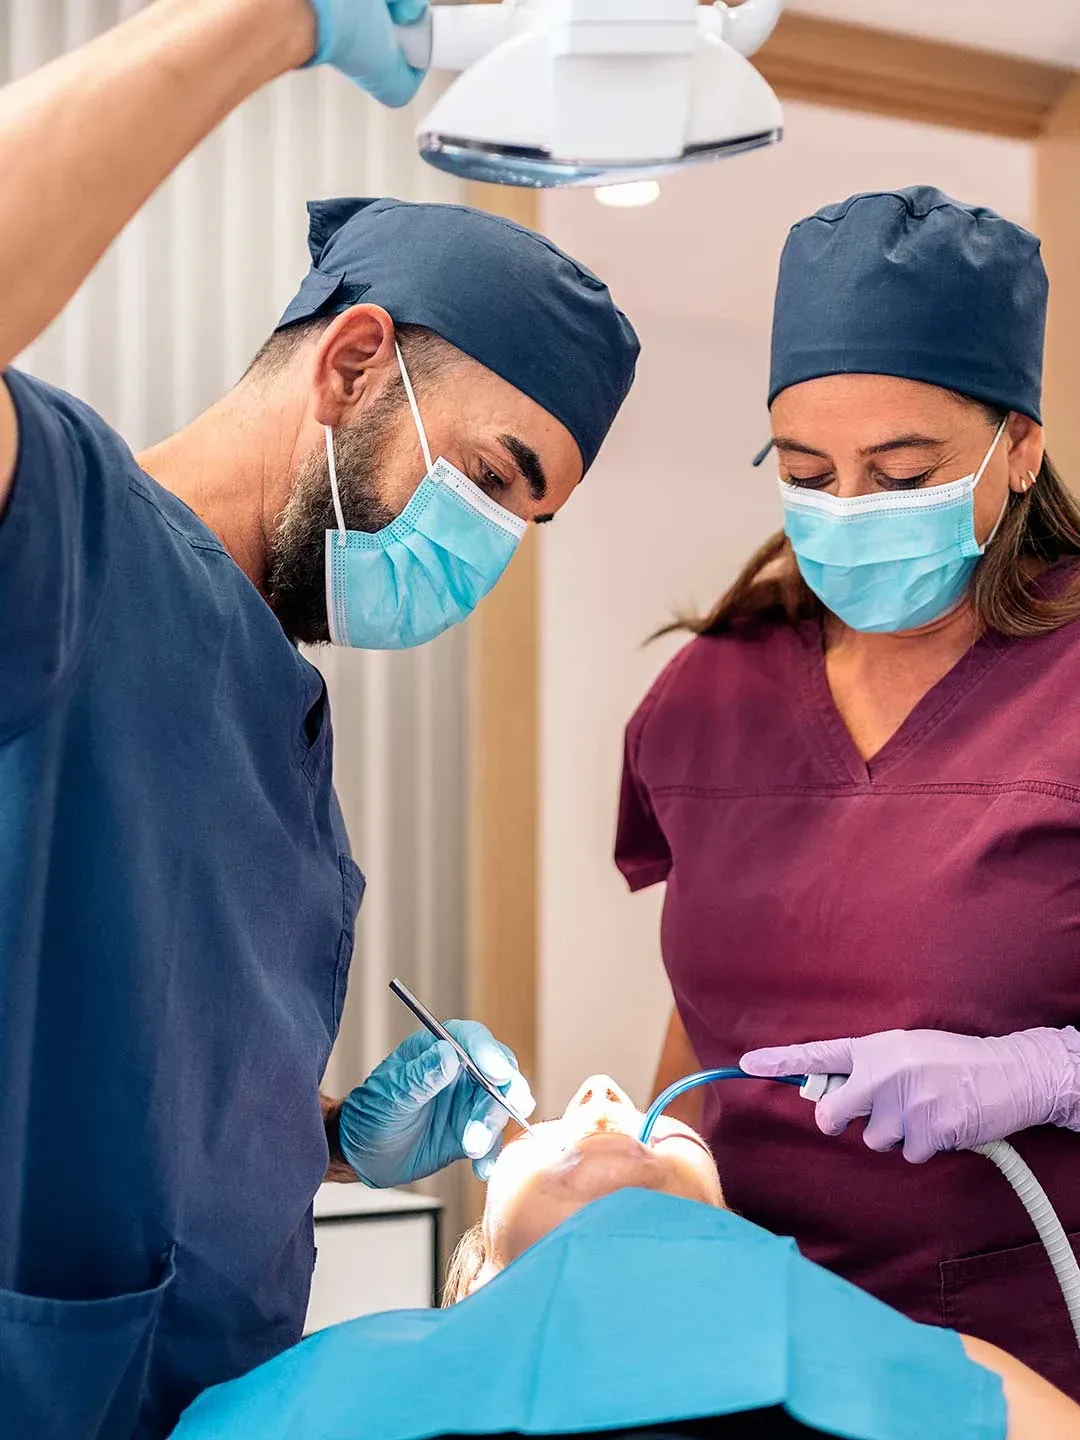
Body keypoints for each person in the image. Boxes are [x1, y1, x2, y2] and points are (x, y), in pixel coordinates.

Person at [0, 2, 638, 1437]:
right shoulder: (71, 547)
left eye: (529, 521)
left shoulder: (286, 728)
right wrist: (268, 19)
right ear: (353, 365)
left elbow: (133, 1087)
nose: (488, 550)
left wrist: (335, 1136)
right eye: (494, 475)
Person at [615, 185, 1080, 1397]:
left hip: (1018, 1354)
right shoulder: (708, 695)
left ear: (1018, 447)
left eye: (902, 470)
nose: (849, 511)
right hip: (749, 1337)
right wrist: (652, 1153)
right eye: (809, 472)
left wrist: (1049, 1075)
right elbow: (707, 1013)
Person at [172, 1074, 1080, 1440]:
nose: (603, 1096)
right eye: (559, 1120)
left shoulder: (948, 1367)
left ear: (745, 1233)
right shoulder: (319, 1385)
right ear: (476, 1273)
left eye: (672, 1132)